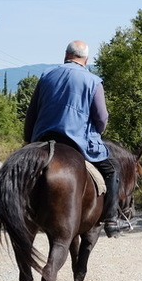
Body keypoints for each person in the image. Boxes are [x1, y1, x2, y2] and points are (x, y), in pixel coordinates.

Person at [24, 40, 125, 237]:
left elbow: (32, 112)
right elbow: (102, 117)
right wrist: (98, 131)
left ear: (65, 55)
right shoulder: (93, 81)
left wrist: (29, 139)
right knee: (112, 169)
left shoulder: (46, 75)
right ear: (86, 59)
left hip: (42, 139)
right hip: (76, 142)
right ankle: (111, 220)